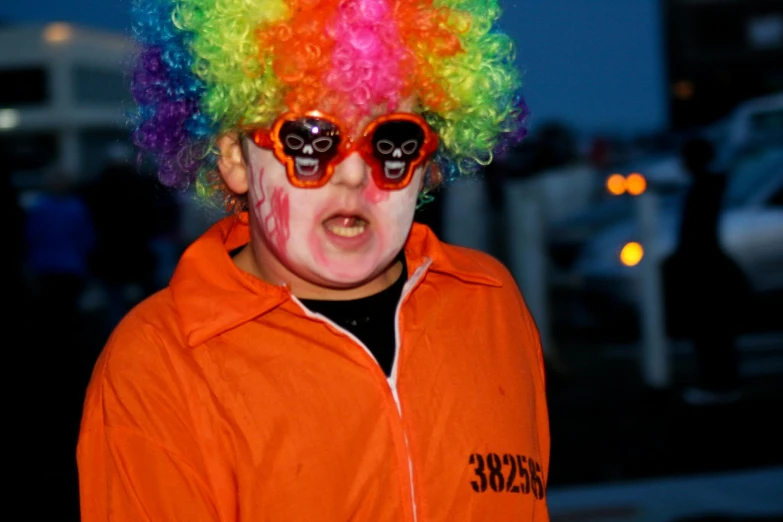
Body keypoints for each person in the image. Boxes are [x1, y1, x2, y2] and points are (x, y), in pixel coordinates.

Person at [77, 0, 550, 520]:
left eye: (392, 141)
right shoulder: (160, 361)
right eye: (311, 141)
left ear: (426, 161)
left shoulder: (489, 301)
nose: (353, 175)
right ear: (236, 157)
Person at [664, 137, 746, 405]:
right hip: (708, 266)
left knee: (710, 330)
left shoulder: (703, 189)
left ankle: (718, 385)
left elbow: (695, 234)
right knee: (715, 330)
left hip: (704, 269)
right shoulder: (710, 186)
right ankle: (723, 382)